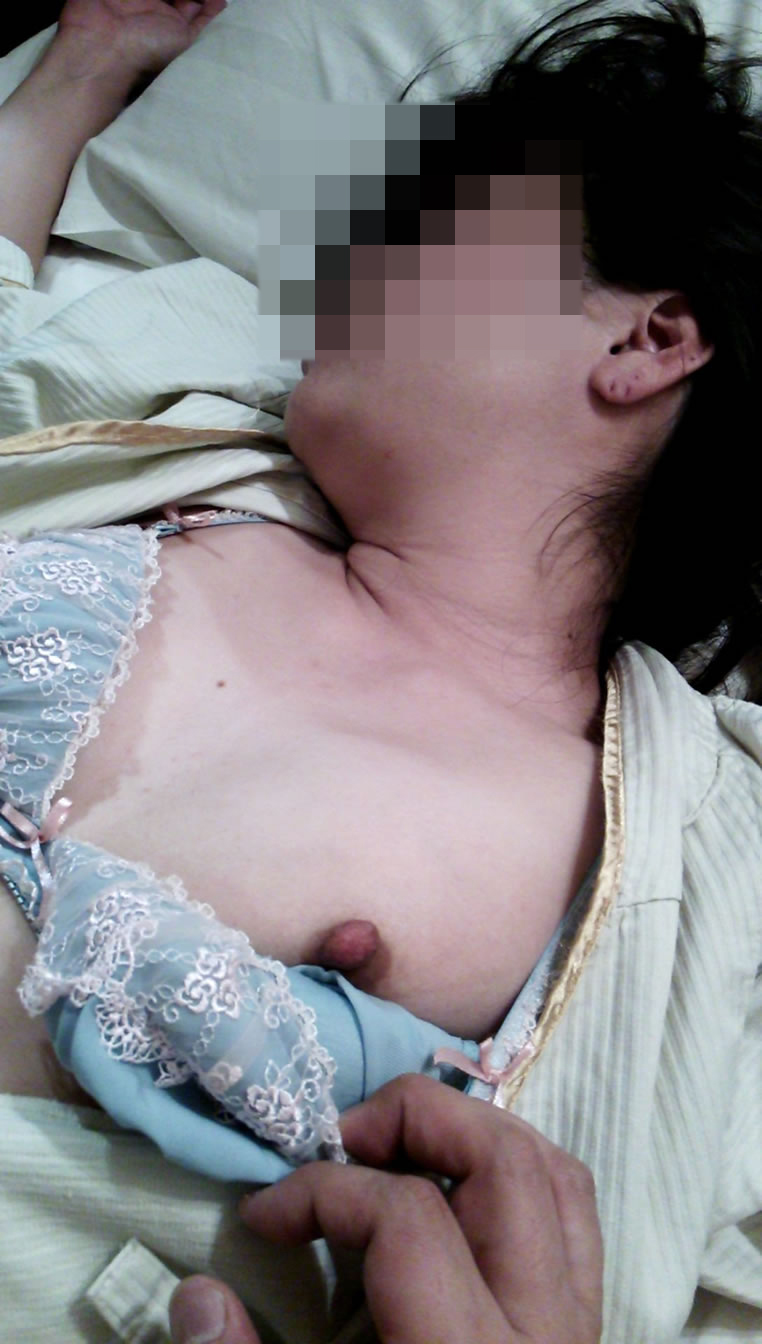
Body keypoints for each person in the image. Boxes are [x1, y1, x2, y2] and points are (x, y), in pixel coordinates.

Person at [0, 0, 760, 1340]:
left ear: (643, 342)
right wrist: (85, 65)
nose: (346, 261)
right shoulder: (187, 417)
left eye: (432, 228)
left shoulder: (701, 855)